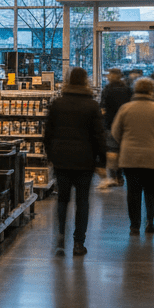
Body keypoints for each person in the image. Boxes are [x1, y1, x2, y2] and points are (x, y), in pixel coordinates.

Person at [43, 67, 106, 257]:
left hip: (62, 160)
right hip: (85, 161)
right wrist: (101, 161)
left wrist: (51, 156)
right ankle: (79, 243)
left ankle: (60, 238)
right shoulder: (92, 106)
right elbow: (99, 136)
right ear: (85, 81)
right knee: (82, 202)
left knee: (62, 200)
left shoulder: (57, 104)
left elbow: (48, 134)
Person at [111, 77, 154, 235]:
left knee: (133, 193)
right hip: (153, 159)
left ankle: (134, 226)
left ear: (135, 90)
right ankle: (150, 222)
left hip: (130, 158)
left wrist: (126, 141)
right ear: (151, 91)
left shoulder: (125, 109)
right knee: (151, 192)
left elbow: (115, 132)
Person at [98, 68, 131, 190]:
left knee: (112, 151)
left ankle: (113, 176)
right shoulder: (127, 89)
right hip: (124, 125)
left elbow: (102, 107)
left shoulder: (107, 89)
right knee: (122, 150)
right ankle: (121, 175)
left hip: (110, 124)